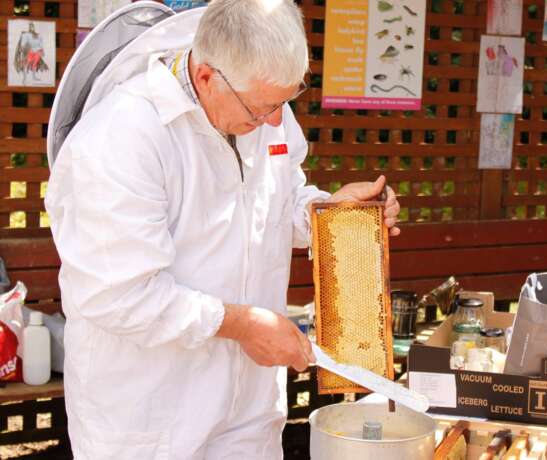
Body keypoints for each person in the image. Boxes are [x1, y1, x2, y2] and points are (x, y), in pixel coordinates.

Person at [44, 0, 400, 458]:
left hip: (247, 410)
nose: (275, 122)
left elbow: (277, 201)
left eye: (285, 104)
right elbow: (120, 296)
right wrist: (243, 325)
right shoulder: (121, 137)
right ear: (207, 77)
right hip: (149, 418)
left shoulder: (259, 98)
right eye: (261, 109)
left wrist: (329, 212)